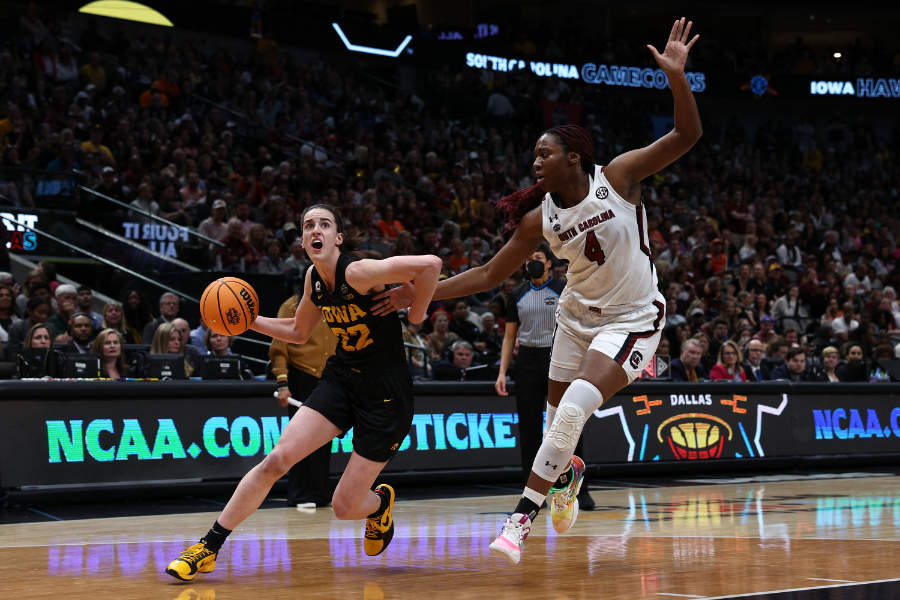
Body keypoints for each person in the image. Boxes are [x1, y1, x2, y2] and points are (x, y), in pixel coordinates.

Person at [374, 18, 702, 564]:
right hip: (574, 318)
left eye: (543, 153)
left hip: (632, 318)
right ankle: (567, 472)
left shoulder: (617, 177)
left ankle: (521, 517)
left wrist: (676, 79)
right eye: (533, 155)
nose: (535, 161)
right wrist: (421, 296)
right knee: (561, 428)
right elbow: (485, 276)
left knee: (570, 414)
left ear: (573, 156)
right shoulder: (538, 221)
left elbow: (686, 136)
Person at [166, 204, 441, 581]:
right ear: (302, 239)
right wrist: (245, 322)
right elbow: (298, 331)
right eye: (309, 225)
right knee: (275, 461)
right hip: (342, 380)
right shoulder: (314, 277)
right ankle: (209, 547)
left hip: (385, 395)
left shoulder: (358, 271)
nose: (316, 230)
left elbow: (431, 264)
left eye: (325, 224)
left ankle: (379, 506)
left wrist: (415, 312)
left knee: (345, 507)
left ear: (337, 238)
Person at [495, 245, 595, 510]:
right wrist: (503, 372)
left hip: (559, 359)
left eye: (537, 258)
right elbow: (509, 337)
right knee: (528, 429)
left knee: (568, 423)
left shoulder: (563, 289)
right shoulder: (516, 294)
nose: (531, 263)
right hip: (526, 361)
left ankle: (579, 489)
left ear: (550, 264)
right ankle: (532, 494)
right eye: (528, 260)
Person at [269, 290, 338, 508]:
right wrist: (282, 382)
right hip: (302, 376)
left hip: (332, 376)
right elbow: (278, 348)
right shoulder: (291, 306)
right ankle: (300, 493)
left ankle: (319, 492)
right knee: (300, 438)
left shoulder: (339, 304)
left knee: (324, 438)